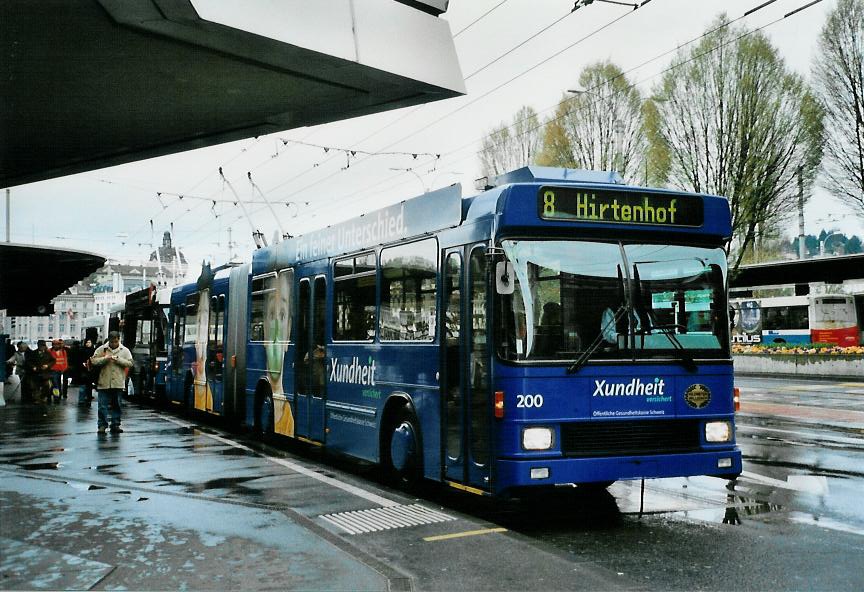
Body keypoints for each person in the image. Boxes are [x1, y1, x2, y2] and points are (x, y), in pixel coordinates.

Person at [90, 331, 134, 434]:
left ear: (119, 340)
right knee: (102, 406)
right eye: (112, 342)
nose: (114, 344)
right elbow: (93, 361)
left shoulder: (125, 350)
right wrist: (105, 359)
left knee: (117, 405)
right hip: (103, 382)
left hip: (118, 382)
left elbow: (130, 363)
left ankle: (115, 424)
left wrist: (118, 360)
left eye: (116, 341)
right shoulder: (102, 349)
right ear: (109, 340)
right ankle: (102, 425)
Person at [28, 340, 55, 410]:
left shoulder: (48, 353)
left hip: (45, 373)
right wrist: (32, 367)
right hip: (36, 373)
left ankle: (43, 397)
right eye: (41, 346)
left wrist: (47, 365)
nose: (42, 347)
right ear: (38, 346)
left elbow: (53, 361)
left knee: (47, 386)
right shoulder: (33, 353)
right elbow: (28, 361)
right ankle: (37, 399)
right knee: (35, 387)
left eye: (43, 346)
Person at [78, 338, 97, 405]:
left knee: (89, 386)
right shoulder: (81, 350)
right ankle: (81, 399)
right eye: (87, 342)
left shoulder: (94, 351)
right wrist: (82, 363)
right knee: (82, 386)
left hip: (90, 371)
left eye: (89, 342)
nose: (88, 344)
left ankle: (88, 399)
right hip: (83, 370)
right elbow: (78, 360)